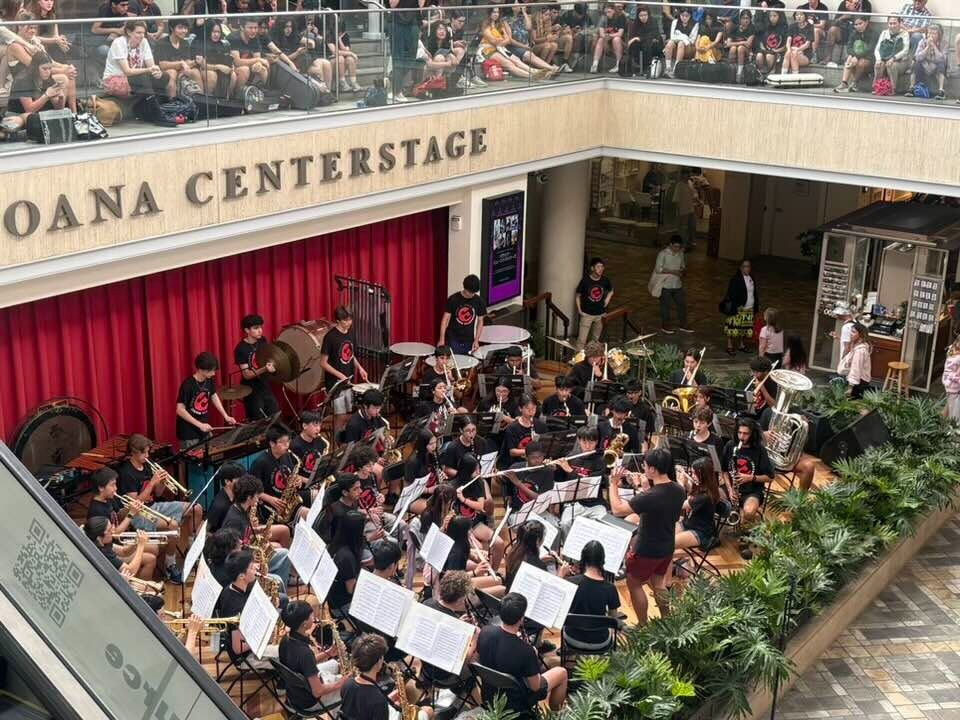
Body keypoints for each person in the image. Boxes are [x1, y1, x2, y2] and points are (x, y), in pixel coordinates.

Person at [117, 433, 201, 583]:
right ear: (134, 452)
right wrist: (152, 483)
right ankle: (170, 565)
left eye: (148, 452)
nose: (147, 456)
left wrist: (161, 481)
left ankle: (191, 549)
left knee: (196, 508)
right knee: (173, 526)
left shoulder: (147, 466)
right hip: (139, 513)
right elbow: (135, 503)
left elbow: (158, 493)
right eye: (144, 453)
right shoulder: (126, 472)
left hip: (154, 506)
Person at [623, 448, 685, 625]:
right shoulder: (679, 489)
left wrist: (612, 483)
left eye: (645, 465)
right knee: (658, 583)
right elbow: (658, 504)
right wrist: (644, 488)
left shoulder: (650, 496)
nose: (643, 468)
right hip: (666, 546)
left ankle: (642, 625)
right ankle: (667, 620)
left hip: (646, 548)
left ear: (652, 469)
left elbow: (618, 509)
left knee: (634, 584)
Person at [478, 592, 568, 712]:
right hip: (516, 701)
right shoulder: (526, 651)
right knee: (561, 672)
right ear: (521, 619)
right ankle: (556, 713)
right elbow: (535, 687)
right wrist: (534, 657)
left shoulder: (485, 631)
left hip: (489, 695)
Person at [221, 474, 292, 590]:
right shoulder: (234, 521)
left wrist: (259, 530)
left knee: (285, 553)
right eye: (257, 497)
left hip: (249, 557)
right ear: (249, 497)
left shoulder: (241, 509)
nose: (258, 500)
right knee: (278, 579)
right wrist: (253, 560)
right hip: (244, 568)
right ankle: (276, 591)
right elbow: (233, 555)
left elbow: (244, 532)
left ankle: (276, 587)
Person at [341, 633, 435, 720]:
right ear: (378, 661)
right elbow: (375, 703)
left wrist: (387, 701)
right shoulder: (378, 700)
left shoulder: (348, 684)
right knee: (428, 710)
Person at [278, 601, 346, 713]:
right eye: (311, 615)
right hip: (310, 701)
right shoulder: (304, 653)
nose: (314, 617)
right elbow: (318, 691)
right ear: (304, 623)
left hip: (295, 692)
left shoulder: (285, 640)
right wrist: (343, 681)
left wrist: (329, 652)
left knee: (335, 664)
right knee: (350, 687)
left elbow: (303, 664)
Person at [722, 417, 774, 557]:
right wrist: (730, 489)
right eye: (739, 433)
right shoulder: (731, 446)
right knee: (711, 497)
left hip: (752, 490)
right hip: (731, 488)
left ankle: (745, 539)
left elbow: (770, 477)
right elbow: (724, 471)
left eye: (745, 434)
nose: (742, 437)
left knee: (749, 511)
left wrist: (751, 477)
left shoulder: (759, 450)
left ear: (752, 434)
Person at [564, 540, 621, 651]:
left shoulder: (571, 582)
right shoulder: (610, 588)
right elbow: (613, 619)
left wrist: (561, 576)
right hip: (600, 642)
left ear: (583, 558)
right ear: (602, 560)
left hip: (572, 638)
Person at [250, 425, 309, 524]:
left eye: (288, 441)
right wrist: (270, 499)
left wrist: (297, 480)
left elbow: (292, 475)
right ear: (272, 443)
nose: (287, 445)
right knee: (307, 516)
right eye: (283, 442)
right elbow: (252, 490)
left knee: (312, 514)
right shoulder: (260, 462)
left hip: (287, 502)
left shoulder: (287, 455)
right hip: (270, 507)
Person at [176, 351, 235, 449]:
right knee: (193, 458)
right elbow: (180, 410)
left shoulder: (209, 380)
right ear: (200, 369)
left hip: (204, 427)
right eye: (211, 371)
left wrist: (226, 416)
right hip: (189, 432)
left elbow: (213, 396)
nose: (214, 373)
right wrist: (200, 425)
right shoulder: (187, 385)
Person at [321, 305, 368, 422]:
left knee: (347, 413)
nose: (349, 323)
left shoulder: (351, 333)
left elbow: (351, 355)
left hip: (348, 380)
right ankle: (337, 434)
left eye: (350, 319)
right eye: (345, 320)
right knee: (340, 416)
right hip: (335, 383)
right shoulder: (330, 337)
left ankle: (344, 434)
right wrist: (340, 375)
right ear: (337, 320)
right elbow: (323, 363)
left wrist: (360, 368)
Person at [234, 313, 279, 421]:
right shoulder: (241, 348)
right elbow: (247, 375)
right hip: (251, 390)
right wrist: (264, 369)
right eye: (256, 328)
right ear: (247, 330)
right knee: (258, 421)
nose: (260, 330)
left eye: (261, 327)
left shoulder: (262, 340)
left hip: (265, 385)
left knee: (275, 416)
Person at [101, 20, 163, 99]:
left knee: (164, 77)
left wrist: (157, 72)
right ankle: (152, 103)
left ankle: (157, 102)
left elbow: (151, 66)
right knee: (143, 78)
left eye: (143, 33)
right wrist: (149, 70)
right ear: (129, 32)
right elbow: (127, 71)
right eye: (138, 33)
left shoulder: (144, 41)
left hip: (136, 78)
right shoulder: (118, 43)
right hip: (115, 79)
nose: (142, 36)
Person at [479, 6, 542, 80]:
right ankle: (532, 76)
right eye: (494, 12)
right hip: (488, 50)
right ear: (489, 13)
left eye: (497, 12)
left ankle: (535, 71)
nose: (496, 14)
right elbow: (492, 40)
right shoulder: (485, 24)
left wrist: (500, 41)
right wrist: (501, 40)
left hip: (500, 48)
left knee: (516, 59)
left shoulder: (499, 23)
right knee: (509, 63)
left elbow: (508, 39)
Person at [84, 517, 156, 581]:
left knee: (151, 557)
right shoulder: (102, 553)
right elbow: (130, 571)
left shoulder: (103, 542)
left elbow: (124, 552)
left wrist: (136, 542)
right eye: (109, 530)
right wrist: (141, 546)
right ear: (99, 538)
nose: (113, 530)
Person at [674, 456, 720, 553]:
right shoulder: (702, 486)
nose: (692, 476)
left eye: (695, 473)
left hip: (701, 532)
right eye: (692, 473)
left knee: (667, 543)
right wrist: (685, 481)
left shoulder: (706, 496)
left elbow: (680, 505)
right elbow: (691, 490)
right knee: (662, 535)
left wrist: (681, 484)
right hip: (688, 523)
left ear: (703, 475)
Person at [327, 509, 365, 613]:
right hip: (342, 606)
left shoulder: (335, 544)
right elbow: (351, 590)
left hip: (333, 599)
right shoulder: (347, 558)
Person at [439, 275, 487, 355]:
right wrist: (442, 339)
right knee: (454, 360)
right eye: (470, 292)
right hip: (453, 338)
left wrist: (476, 340)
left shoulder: (479, 301)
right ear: (465, 288)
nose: (472, 294)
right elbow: (445, 319)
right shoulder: (453, 299)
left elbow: (480, 321)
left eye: (473, 292)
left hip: (468, 339)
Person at [154, 17, 202, 97]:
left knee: (195, 72)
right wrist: (181, 63)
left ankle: (200, 100)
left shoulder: (185, 43)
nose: (184, 31)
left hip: (180, 71)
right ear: (171, 28)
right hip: (162, 74)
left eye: (185, 28)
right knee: (172, 72)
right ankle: (173, 102)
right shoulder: (162, 43)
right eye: (180, 28)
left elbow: (187, 61)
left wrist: (195, 61)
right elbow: (162, 65)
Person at [497, 394, 547, 470]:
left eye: (534, 408)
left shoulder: (541, 425)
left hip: (536, 461)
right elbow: (512, 451)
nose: (531, 412)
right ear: (520, 408)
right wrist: (532, 451)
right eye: (527, 408)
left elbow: (545, 445)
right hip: (517, 464)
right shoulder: (512, 428)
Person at [653, 235, 691, 334]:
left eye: (679, 247)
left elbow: (683, 265)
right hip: (665, 284)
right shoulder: (663, 254)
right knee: (665, 306)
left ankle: (683, 324)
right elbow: (658, 269)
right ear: (670, 244)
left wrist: (682, 271)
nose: (677, 249)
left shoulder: (680, 253)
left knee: (681, 304)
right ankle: (665, 326)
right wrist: (673, 271)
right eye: (675, 246)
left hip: (677, 284)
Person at [721, 259, 760, 355]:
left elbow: (754, 292)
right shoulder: (735, 279)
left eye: (749, 266)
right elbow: (731, 293)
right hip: (739, 308)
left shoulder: (751, 278)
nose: (747, 268)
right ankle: (729, 346)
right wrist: (737, 306)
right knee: (732, 327)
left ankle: (741, 345)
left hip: (749, 307)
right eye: (745, 266)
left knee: (744, 328)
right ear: (741, 268)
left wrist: (756, 305)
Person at [833, 14, 878, 92]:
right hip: (856, 57)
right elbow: (849, 48)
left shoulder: (874, 34)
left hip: (870, 58)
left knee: (861, 63)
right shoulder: (854, 33)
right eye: (856, 24)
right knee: (849, 58)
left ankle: (855, 82)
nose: (858, 26)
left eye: (860, 23)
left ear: (866, 22)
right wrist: (854, 56)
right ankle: (844, 83)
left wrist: (856, 57)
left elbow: (870, 49)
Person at [575, 257, 613, 347]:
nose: (601, 269)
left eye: (602, 266)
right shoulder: (585, 281)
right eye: (598, 267)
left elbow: (611, 290)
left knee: (595, 342)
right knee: (581, 341)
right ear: (592, 268)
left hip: (600, 315)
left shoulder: (605, 280)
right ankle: (577, 356)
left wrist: (607, 299)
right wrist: (579, 310)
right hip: (587, 314)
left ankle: (592, 356)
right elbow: (577, 296)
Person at [405, 428, 441, 515]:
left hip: (428, 493)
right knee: (435, 512)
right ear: (423, 444)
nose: (434, 446)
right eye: (430, 444)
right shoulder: (413, 462)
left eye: (435, 442)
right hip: (412, 498)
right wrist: (428, 490)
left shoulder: (431, 455)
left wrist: (439, 475)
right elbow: (409, 488)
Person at [197, 21, 237, 98]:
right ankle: (209, 99)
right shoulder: (201, 44)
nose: (216, 34)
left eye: (218, 32)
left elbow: (229, 60)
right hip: (206, 69)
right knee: (212, 75)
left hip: (221, 69)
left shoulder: (224, 44)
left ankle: (226, 98)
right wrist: (218, 67)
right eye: (213, 32)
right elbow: (202, 65)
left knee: (233, 75)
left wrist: (231, 67)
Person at [906, 22, 946, 99]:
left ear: (939, 35)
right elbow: (917, 57)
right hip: (925, 65)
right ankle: (911, 88)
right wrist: (927, 47)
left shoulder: (943, 43)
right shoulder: (922, 41)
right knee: (915, 63)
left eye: (934, 33)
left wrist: (934, 46)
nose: (931, 36)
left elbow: (942, 59)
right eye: (929, 33)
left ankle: (941, 91)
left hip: (936, 66)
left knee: (941, 65)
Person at [291, 410, 330, 486]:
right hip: (303, 485)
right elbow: (292, 474)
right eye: (315, 425)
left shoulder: (322, 442)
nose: (318, 429)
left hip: (317, 480)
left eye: (319, 425)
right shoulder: (294, 446)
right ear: (304, 426)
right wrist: (311, 481)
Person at [231, 17, 270, 91]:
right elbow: (237, 62)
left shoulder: (254, 38)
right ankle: (237, 94)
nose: (253, 31)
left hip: (246, 65)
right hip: (231, 67)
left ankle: (261, 92)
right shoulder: (233, 38)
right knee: (244, 70)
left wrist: (258, 64)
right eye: (250, 28)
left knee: (262, 69)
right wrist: (258, 60)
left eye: (255, 28)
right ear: (242, 27)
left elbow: (257, 56)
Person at [873, 15, 910, 94]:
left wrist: (893, 58)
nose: (892, 26)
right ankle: (876, 87)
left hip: (901, 61)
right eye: (890, 23)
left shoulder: (905, 34)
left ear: (900, 23)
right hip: (885, 58)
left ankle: (893, 89)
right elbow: (877, 49)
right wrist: (878, 59)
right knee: (879, 65)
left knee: (891, 65)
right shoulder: (884, 33)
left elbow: (905, 51)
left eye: (894, 23)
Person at [206, 462, 245, 532]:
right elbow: (204, 532)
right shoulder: (219, 505)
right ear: (227, 481)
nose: (243, 482)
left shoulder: (237, 495)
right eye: (239, 480)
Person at [627, 5, 664, 76]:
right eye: (641, 15)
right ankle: (636, 67)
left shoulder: (653, 21)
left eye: (645, 15)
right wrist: (634, 39)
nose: (643, 17)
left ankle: (647, 67)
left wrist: (639, 38)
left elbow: (654, 35)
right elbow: (633, 36)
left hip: (654, 43)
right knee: (634, 44)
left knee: (648, 44)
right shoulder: (636, 23)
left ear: (648, 14)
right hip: (641, 43)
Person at [837, 321, 871, 398]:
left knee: (853, 402)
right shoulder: (857, 346)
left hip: (858, 382)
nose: (850, 333)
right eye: (851, 331)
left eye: (853, 332)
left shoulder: (860, 351)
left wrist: (850, 387)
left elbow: (856, 369)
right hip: (857, 380)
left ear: (860, 335)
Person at [590, 3, 626, 74]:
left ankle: (618, 65)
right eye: (606, 12)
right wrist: (606, 37)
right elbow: (601, 33)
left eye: (609, 12)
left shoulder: (621, 17)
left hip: (619, 41)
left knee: (616, 39)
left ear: (614, 11)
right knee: (600, 40)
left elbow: (620, 33)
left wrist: (609, 35)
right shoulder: (603, 18)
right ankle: (595, 64)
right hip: (607, 41)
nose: (607, 14)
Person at [663, 6, 698, 76]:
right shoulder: (675, 22)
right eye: (682, 15)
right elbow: (672, 37)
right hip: (676, 43)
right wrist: (684, 37)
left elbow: (691, 40)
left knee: (681, 43)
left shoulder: (695, 24)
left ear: (690, 16)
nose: (684, 18)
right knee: (670, 43)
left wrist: (680, 36)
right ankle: (668, 67)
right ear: (679, 15)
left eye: (687, 16)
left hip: (688, 47)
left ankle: (676, 68)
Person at [672, 171, 700, 250]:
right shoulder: (679, 185)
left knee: (692, 226)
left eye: (688, 174)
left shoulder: (690, 183)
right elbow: (676, 200)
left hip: (691, 209)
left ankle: (690, 242)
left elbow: (694, 194)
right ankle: (682, 245)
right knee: (683, 229)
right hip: (683, 210)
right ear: (682, 175)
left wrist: (699, 202)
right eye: (686, 174)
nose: (687, 176)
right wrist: (678, 212)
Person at [725, 9, 755, 82]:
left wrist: (741, 44)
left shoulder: (752, 28)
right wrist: (742, 42)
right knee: (733, 48)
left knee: (740, 48)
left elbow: (748, 44)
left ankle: (739, 73)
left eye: (747, 18)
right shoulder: (735, 28)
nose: (745, 20)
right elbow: (728, 44)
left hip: (748, 52)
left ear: (750, 19)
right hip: (735, 50)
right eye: (743, 18)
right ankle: (731, 72)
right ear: (740, 19)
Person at [755, 9, 788, 74]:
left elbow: (785, 46)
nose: (772, 18)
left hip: (779, 52)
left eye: (774, 16)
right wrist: (764, 50)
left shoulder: (784, 28)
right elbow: (761, 42)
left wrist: (775, 51)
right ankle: (761, 74)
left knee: (769, 56)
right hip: (766, 51)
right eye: (770, 16)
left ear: (780, 16)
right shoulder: (766, 27)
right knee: (759, 55)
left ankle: (771, 73)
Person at [783, 10, 814, 74]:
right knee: (788, 53)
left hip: (805, 54)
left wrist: (798, 49)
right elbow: (788, 40)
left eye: (801, 15)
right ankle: (783, 75)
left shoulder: (810, 27)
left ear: (805, 16)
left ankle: (795, 76)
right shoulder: (792, 26)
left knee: (794, 54)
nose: (799, 16)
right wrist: (788, 49)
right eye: (797, 15)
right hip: (793, 51)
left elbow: (807, 44)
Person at [942, 340, 960, 422]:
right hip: (953, 386)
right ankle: (949, 425)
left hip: (949, 385)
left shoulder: (951, 351)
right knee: (953, 410)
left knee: (949, 406)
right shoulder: (957, 358)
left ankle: (940, 422)